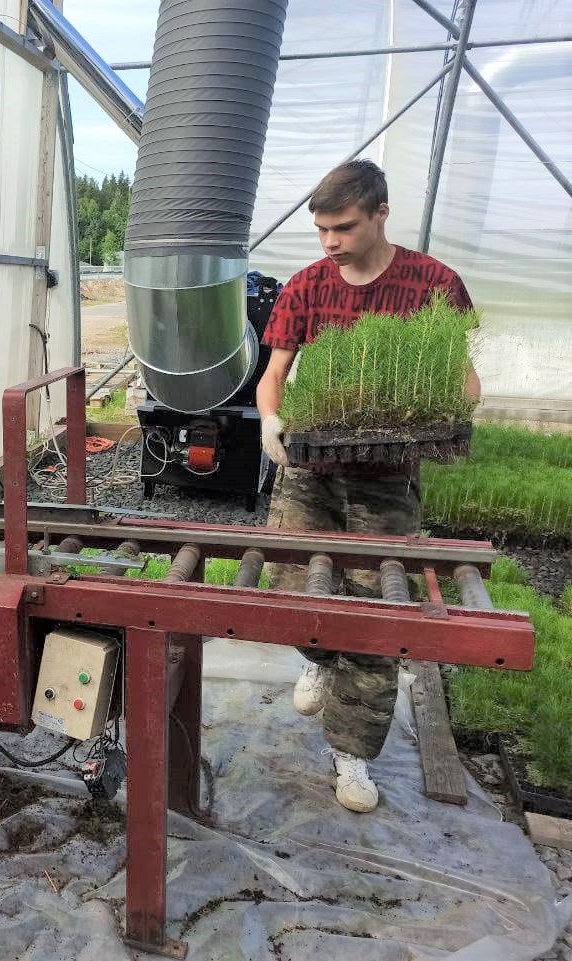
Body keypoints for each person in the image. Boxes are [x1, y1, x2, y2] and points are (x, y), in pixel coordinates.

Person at [256, 160, 480, 813]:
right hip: (311, 468)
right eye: (321, 229)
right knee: (290, 583)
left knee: (377, 610)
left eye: (343, 227)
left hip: (386, 478)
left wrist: (453, 410)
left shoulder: (432, 284)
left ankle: (350, 753)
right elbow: (275, 373)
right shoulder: (305, 286)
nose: (329, 241)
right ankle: (320, 655)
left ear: (381, 212)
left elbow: (461, 375)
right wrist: (272, 417)